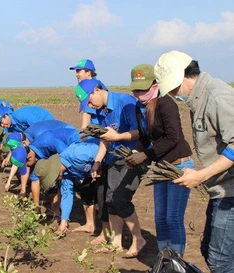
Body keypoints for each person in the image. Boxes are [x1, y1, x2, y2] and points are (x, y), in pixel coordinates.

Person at [154, 50, 234, 272]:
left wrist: (201, 175)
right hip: (221, 190)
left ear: (184, 77)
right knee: (209, 249)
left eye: (173, 87)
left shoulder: (216, 96)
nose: (172, 93)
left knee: (220, 260)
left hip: (231, 192)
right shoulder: (198, 100)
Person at [124, 64, 194, 256]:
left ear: (155, 85)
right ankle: (164, 259)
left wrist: (145, 155)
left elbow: (173, 138)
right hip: (162, 167)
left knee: (173, 218)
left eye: (144, 89)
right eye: (137, 90)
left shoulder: (165, 103)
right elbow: (145, 139)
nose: (140, 94)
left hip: (179, 165)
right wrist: (135, 152)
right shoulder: (141, 108)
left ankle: (177, 260)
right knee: (160, 218)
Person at [76, 78, 146, 258]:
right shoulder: (103, 111)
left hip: (133, 157)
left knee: (120, 198)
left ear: (97, 90)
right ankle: (116, 243)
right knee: (109, 200)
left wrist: (118, 137)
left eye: (89, 100)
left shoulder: (126, 103)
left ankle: (138, 238)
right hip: (114, 159)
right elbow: (105, 139)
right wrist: (98, 161)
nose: (90, 105)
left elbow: (141, 132)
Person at [34, 138, 100, 235]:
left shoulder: (78, 154)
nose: (55, 180)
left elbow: (105, 150)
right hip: (91, 173)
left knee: (108, 199)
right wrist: (64, 221)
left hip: (111, 160)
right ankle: (90, 225)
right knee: (85, 191)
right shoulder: (64, 175)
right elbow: (67, 195)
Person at [69, 59, 107, 128]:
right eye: (76, 71)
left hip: (99, 126)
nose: (76, 74)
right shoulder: (88, 86)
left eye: (79, 71)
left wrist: (83, 131)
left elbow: (87, 113)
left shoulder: (93, 88)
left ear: (88, 72)